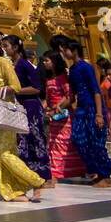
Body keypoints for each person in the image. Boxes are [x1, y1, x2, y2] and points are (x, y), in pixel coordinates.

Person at [0, 30, 44, 202]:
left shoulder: (3, 63)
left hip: (4, 111)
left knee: (5, 153)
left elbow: (16, 86)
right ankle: (14, 190)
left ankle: (36, 181)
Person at [61, 39, 111, 186]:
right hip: (81, 107)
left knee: (96, 140)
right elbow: (72, 94)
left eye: (66, 50)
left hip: (92, 106)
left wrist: (98, 114)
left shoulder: (87, 68)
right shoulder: (72, 69)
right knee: (78, 138)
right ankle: (94, 170)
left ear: (75, 50)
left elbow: (96, 91)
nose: (64, 53)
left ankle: (105, 175)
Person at [3, 34, 50, 186]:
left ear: (16, 47)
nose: (4, 49)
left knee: (36, 140)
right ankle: (28, 175)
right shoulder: (11, 65)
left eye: (6, 46)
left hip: (31, 107)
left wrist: (15, 91)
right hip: (19, 106)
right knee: (22, 142)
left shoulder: (24, 64)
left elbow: (36, 88)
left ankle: (44, 175)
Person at [41, 50, 85, 182]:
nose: (44, 63)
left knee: (65, 144)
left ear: (54, 62)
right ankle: (55, 173)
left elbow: (70, 97)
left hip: (64, 116)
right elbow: (47, 99)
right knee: (54, 145)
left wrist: (59, 107)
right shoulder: (49, 80)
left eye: (47, 60)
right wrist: (43, 108)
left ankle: (68, 171)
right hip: (54, 118)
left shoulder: (63, 78)